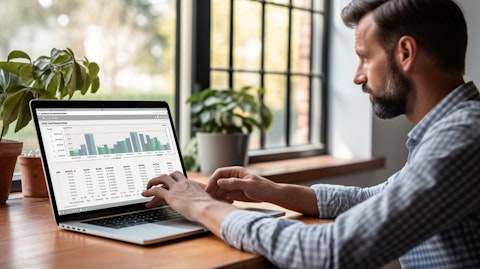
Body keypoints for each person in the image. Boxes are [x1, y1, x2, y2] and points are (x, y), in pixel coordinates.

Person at [142, 0, 480, 267]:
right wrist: (271, 190)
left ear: (405, 53)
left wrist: (201, 207)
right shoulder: (450, 130)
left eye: (364, 58)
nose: (358, 77)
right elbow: (374, 200)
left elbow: (328, 252)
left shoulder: (463, 137)